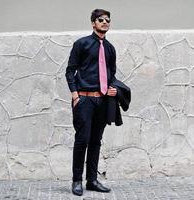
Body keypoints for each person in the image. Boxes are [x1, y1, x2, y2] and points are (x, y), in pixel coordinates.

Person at [65, 8, 117, 196]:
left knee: (96, 141)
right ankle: (76, 180)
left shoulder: (110, 48)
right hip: (84, 99)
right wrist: (75, 94)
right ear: (93, 23)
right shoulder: (82, 44)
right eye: (101, 20)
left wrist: (113, 88)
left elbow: (111, 74)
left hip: (102, 101)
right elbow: (70, 70)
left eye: (108, 20)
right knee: (82, 140)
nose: (105, 23)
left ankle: (92, 180)